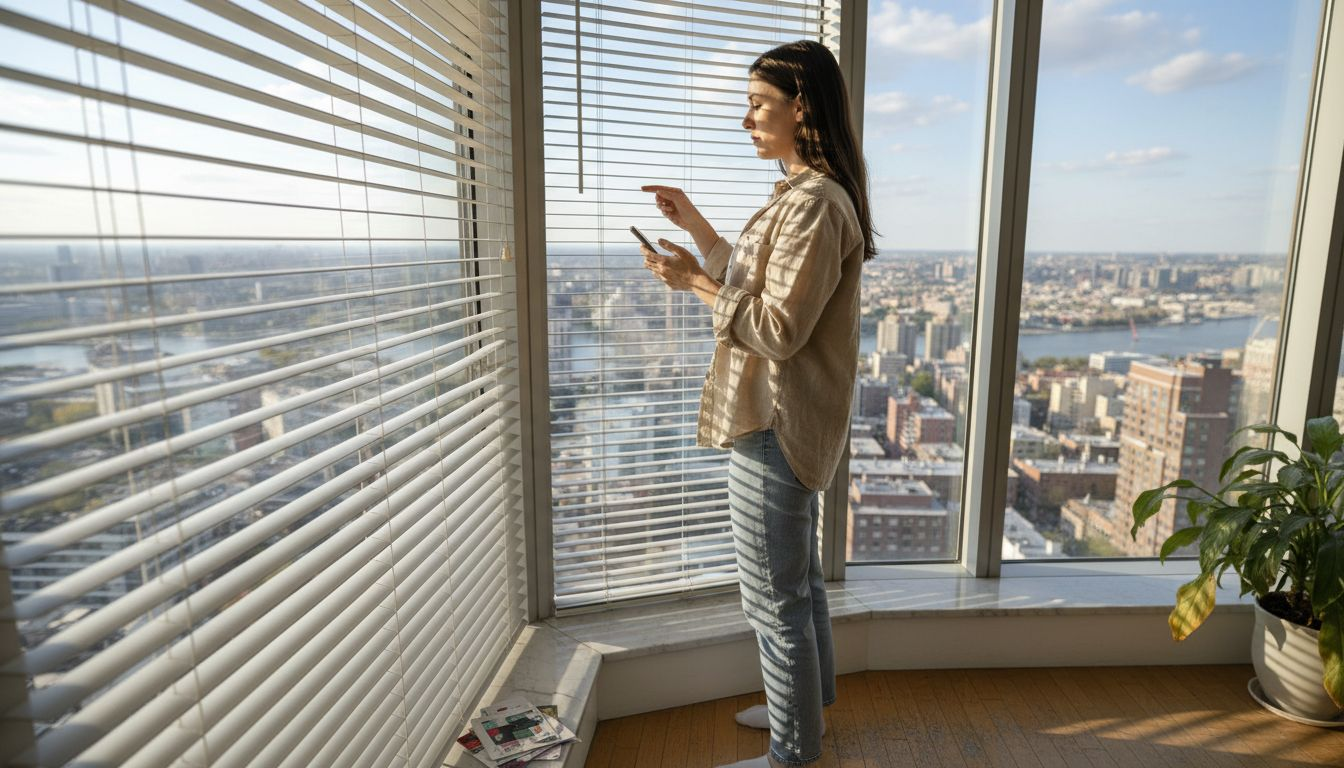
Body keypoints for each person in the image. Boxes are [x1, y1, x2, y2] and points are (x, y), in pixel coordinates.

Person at [639, 39, 876, 768]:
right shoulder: (805, 196)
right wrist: (699, 233)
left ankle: (793, 751)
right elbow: (762, 288)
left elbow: (775, 329)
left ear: (802, 108)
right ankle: (806, 710)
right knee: (797, 581)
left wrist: (696, 285)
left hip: (774, 423)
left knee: (773, 599)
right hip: (781, 418)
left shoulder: (815, 204)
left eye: (758, 105)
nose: (746, 120)